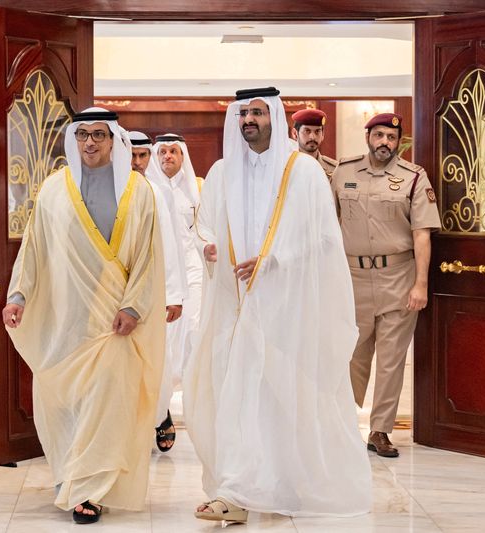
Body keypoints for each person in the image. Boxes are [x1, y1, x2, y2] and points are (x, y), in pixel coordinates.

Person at [183, 87, 372, 523]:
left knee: (279, 399)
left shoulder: (302, 172)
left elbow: (324, 237)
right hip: (233, 307)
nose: (250, 120)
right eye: (243, 113)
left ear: (275, 117)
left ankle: (277, 483)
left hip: (286, 307)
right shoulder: (221, 172)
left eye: (258, 112)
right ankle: (234, 489)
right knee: (235, 394)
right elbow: (204, 226)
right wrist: (209, 247)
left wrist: (274, 261)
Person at [1, 108, 166, 524]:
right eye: (83, 135)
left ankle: (89, 490)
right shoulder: (54, 190)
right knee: (64, 403)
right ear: (74, 140)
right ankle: (71, 477)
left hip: (115, 321)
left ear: (113, 140)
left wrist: (133, 305)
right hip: (65, 321)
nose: (90, 142)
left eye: (99, 135)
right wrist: (19, 294)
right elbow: (33, 248)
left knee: (107, 401)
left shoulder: (138, 190)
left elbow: (148, 256)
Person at [332, 112, 441, 458]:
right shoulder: (342, 172)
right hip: (351, 278)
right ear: (368, 137)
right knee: (351, 355)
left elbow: (421, 234)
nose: (384, 143)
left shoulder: (414, 178)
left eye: (391, 138)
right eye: (378, 135)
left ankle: (380, 431)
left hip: (398, 276)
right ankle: (342, 424)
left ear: (398, 142)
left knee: (392, 360)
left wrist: (420, 284)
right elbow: (327, 227)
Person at [146, 133, 204, 453]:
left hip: (193, 275)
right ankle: (159, 412)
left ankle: (196, 412)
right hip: (159, 278)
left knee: (192, 340)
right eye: (163, 151)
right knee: (163, 350)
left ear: (183, 155)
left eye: (174, 151)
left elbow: (203, 233)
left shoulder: (196, 189)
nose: (168, 156)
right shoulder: (146, 191)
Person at [128, 130, 185, 452]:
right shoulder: (117, 191)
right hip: (119, 295)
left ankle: (160, 415)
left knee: (158, 363)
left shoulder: (156, 192)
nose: (137, 162)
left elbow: (171, 247)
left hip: (155, 293)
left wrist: (174, 295)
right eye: (132, 156)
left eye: (143, 156)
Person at [291, 108, 338, 182]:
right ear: (295, 134)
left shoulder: (335, 168)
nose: (312, 137)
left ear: (323, 135)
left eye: (317, 131)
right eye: (307, 131)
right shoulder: (285, 165)